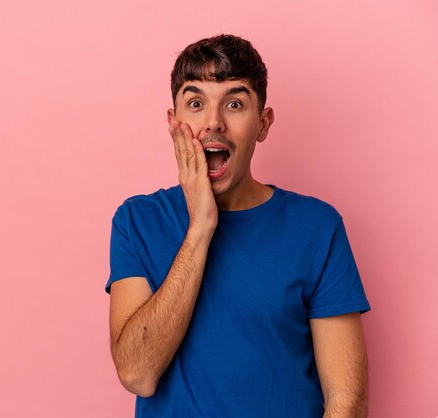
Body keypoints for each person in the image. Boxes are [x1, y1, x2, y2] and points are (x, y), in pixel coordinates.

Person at [105, 34, 371, 418]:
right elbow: (137, 373)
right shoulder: (137, 221)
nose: (214, 123)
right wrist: (201, 226)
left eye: (234, 104)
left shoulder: (317, 227)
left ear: (263, 123)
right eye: (196, 104)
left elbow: (347, 400)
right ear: (173, 122)